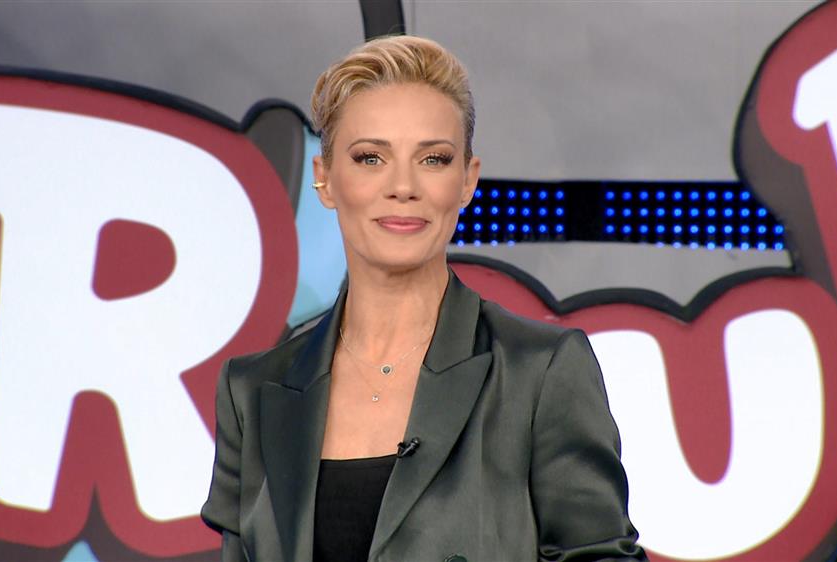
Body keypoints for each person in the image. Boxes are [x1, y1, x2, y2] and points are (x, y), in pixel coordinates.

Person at [201, 35, 645, 562]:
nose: (403, 186)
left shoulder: (540, 373)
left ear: (467, 181)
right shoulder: (253, 391)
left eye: (433, 159)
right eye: (370, 158)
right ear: (325, 179)